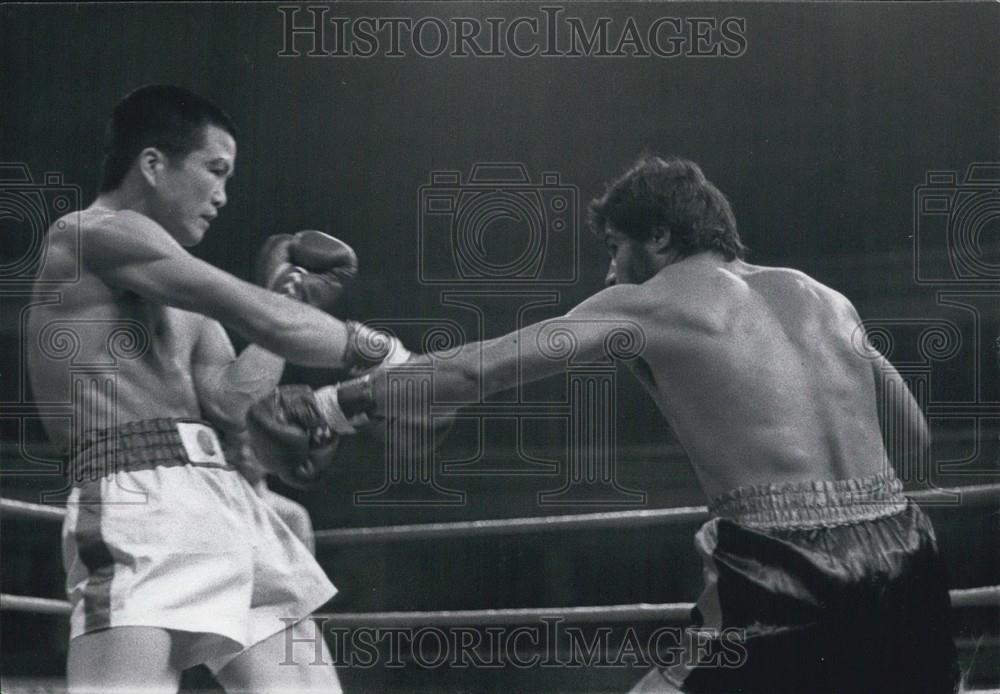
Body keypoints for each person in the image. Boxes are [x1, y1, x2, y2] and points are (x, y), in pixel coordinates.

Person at [253, 156, 961, 693]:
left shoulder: (643, 304)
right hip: (905, 551)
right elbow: (914, 443)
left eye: (617, 245)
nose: (609, 266)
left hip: (784, 568)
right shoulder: (824, 299)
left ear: (657, 235)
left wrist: (333, 402)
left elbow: (477, 370)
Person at [25, 85, 402, 693]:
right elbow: (265, 320)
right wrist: (390, 357)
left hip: (224, 499)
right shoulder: (87, 235)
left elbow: (232, 401)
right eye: (214, 171)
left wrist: (288, 301)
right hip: (135, 494)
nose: (223, 196)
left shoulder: (182, 291)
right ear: (153, 164)